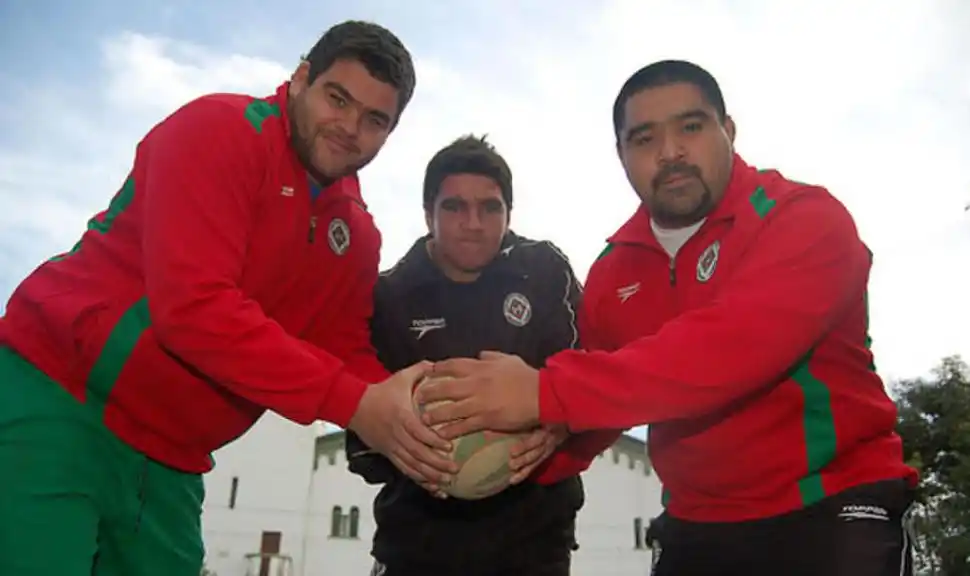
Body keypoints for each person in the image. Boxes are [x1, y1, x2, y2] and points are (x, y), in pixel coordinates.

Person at [417, 60, 920, 576]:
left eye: (691, 127)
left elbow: (730, 349)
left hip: (829, 508)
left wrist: (541, 393)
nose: (670, 151)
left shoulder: (804, 217)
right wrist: (527, 452)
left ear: (728, 130)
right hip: (694, 524)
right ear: (621, 156)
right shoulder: (615, 272)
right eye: (644, 138)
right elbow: (597, 393)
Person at [0, 20, 456, 576]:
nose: (349, 127)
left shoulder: (358, 235)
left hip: (174, 460)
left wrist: (418, 416)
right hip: (61, 401)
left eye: (374, 120)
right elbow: (193, 310)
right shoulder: (218, 129)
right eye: (338, 99)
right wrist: (358, 404)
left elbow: (343, 351)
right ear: (300, 79)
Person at [345, 135, 615, 576]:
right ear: (428, 213)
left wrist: (558, 420)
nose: (474, 222)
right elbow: (361, 433)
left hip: (535, 546)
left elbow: (593, 373)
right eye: (454, 207)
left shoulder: (544, 270)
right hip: (418, 548)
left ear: (509, 213)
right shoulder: (389, 297)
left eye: (490, 207)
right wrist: (405, 448)